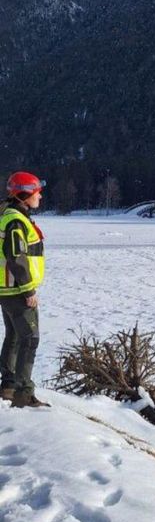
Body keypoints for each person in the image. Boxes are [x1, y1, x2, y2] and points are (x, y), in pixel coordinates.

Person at [0, 171, 50, 408]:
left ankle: (8, 386)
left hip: (7, 289)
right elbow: (16, 257)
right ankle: (23, 394)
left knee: (14, 337)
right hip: (17, 290)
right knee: (30, 339)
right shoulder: (16, 220)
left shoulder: (8, 214)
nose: (40, 197)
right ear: (25, 194)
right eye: (37, 192)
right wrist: (29, 290)